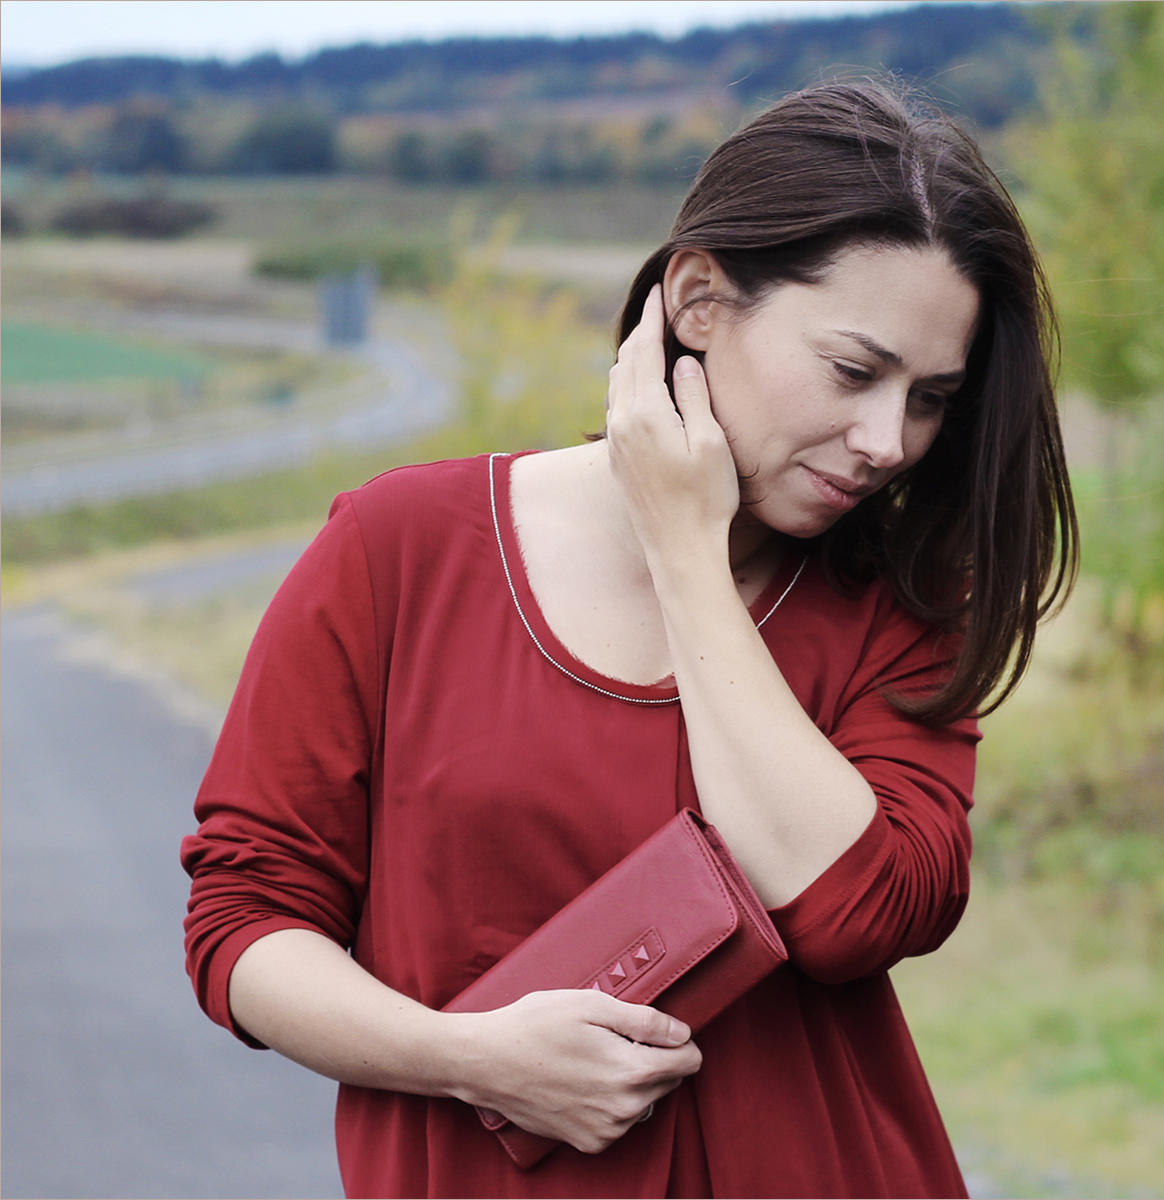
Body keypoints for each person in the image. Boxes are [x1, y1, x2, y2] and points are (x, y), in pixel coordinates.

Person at [181, 80, 1076, 1199]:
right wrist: (468, 1058)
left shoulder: (898, 605)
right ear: (700, 298)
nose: (888, 439)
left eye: (932, 397)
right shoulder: (397, 552)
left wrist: (686, 552)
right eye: (855, 370)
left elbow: (859, 913)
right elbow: (245, 920)